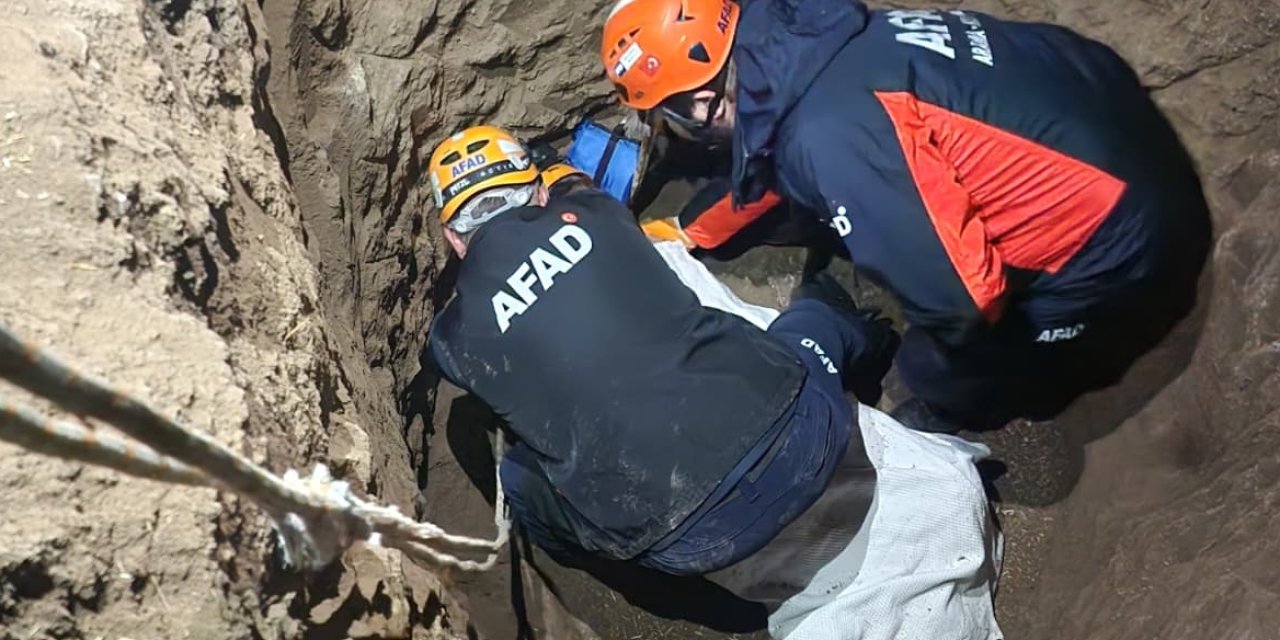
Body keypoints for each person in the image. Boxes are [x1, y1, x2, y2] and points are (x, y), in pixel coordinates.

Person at [601, 0, 1212, 432]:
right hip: (1097, 108)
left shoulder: (830, 137)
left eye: (667, 116)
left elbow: (965, 301)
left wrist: (934, 359)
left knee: (937, 365)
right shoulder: (804, 41)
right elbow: (770, 152)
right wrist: (688, 231)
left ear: (702, 101)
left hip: (1125, 237)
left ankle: (989, 397)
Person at [424, 124, 897, 579]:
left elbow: (467, 346)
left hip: (685, 541)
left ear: (453, 238)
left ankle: (605, 571)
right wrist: (553, 167)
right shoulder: (595, 212)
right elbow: (575, 186)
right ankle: (877, 339)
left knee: (520, 480)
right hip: (806, 440)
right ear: (541, 193)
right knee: (812, 319)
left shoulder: (452, 338)